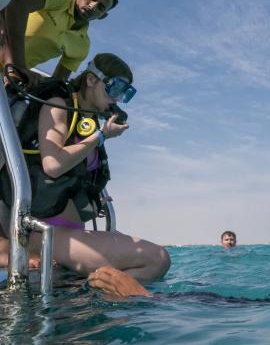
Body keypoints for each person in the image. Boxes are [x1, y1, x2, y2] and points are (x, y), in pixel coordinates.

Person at [0, 52, 170, 297]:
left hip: (67, 229)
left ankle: (96, 297)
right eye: (114, 87)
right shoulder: (59, 102)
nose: (117, 98)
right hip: (43, 232)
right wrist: (100, 136)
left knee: (147, 261)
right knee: (157, 259)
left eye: (124, 93)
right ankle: (100, 297)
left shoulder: (86, 119)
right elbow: (52, 164)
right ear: (91, 80)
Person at [0, 0, 117, 85]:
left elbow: (56, 83)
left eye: (100, 7)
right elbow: (17, 4)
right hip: (12, 70)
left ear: (102, 16)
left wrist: (37, 82)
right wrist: (16, 64)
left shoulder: (82, 46)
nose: (93, 6)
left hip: (7, 77)